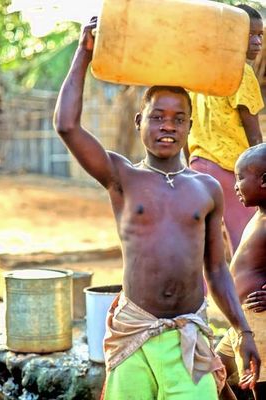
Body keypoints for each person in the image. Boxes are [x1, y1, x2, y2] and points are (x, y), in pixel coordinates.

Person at [53, 19, 260, 400]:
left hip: (189, 336)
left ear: (190, 126)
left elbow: (215, 269)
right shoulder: (122, 176)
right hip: (134, 332)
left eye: (178, 119)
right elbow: (67, 126)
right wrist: (83, 54)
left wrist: (243, 331)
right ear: (139, 122)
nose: (168, 126)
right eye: (158, 117)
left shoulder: (207, 188)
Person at [185, 4, 264, 258]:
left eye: (260, 35)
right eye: (250, 34)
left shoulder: (198, 72)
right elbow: (253, 134)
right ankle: (247, 298)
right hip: (235, 171)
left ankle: (201, 298)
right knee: (247, 244)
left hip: (198, 165)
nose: (257, 42)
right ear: (231, 34)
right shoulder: (241, 70)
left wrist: (188, 165)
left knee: (205, 245)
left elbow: (187, 124)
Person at [216, 143, 266, 400]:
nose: (235, 186)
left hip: (260, 320)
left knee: (258, 386)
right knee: (214, 372)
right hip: (243, 322)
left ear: (264, 181)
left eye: (240, 178)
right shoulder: (259, 216)